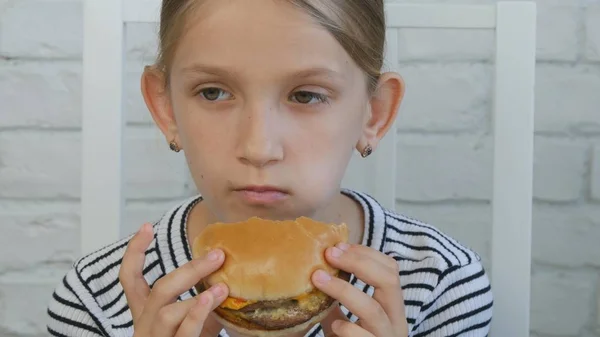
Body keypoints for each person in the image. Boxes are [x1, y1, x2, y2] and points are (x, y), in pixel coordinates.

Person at [46, 0, 493, 336]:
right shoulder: (97, 299)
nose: (259, 147)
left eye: (306, 96)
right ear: (166, 108)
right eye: (214, 93)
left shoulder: (439, 282)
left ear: (373, 114)